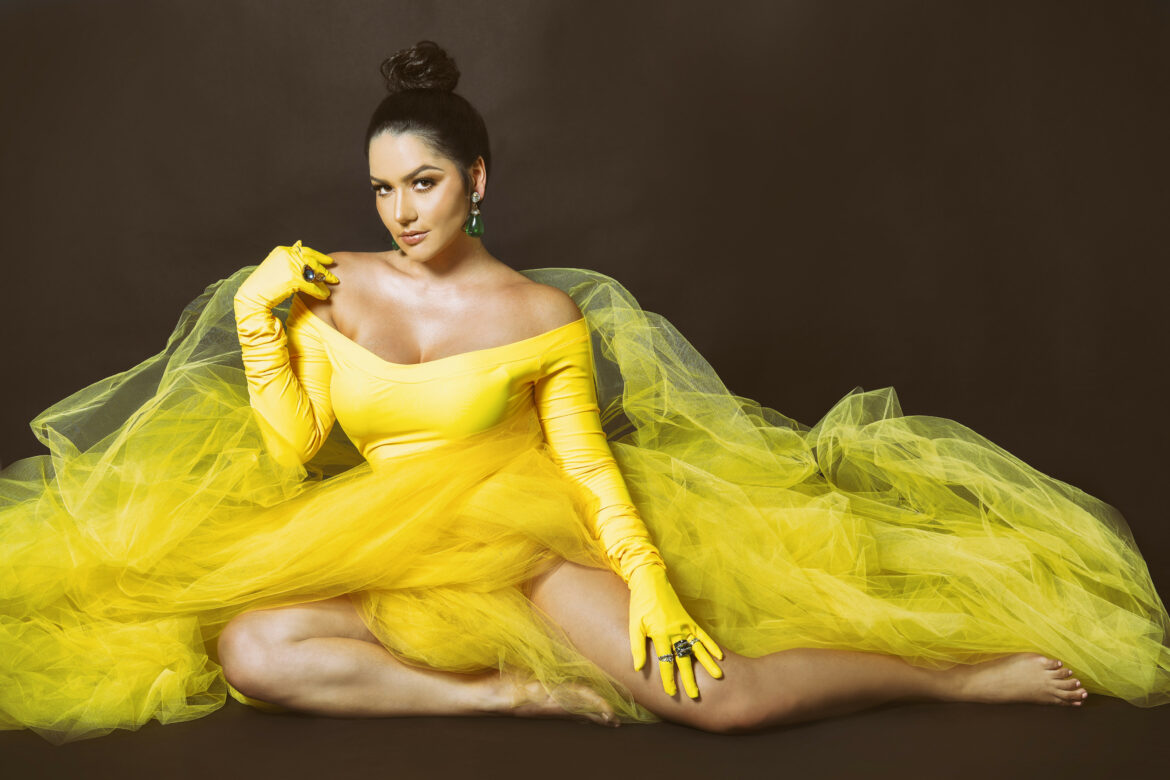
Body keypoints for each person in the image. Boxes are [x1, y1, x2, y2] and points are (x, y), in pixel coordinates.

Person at [1, 41, 1167, 745]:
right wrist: (262, 328)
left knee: (718, 700)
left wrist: (649, 583)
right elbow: (297, 450)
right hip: (386, 540)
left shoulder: (539, 317)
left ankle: (960, 679)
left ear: (476, 178)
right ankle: (499, 700)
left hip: (527, 540)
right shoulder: (320, 287)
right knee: (254, 651)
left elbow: (588, 469)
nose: (401, 212)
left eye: (423, 183)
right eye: (383, 190)